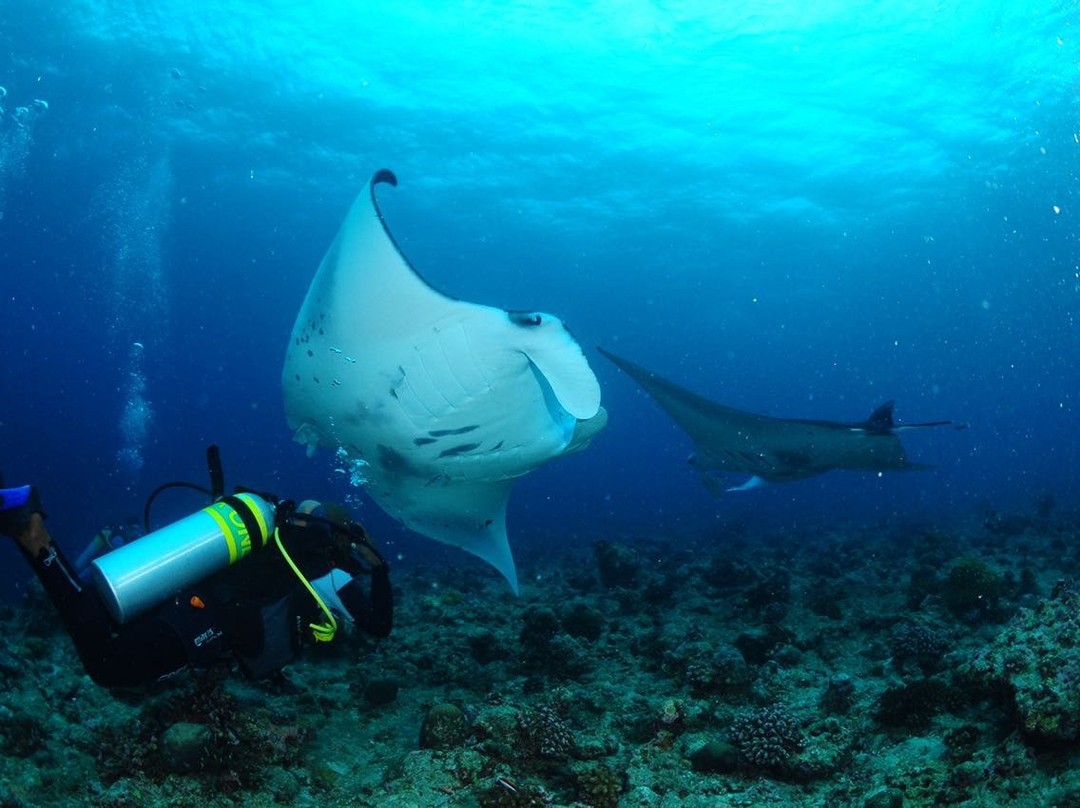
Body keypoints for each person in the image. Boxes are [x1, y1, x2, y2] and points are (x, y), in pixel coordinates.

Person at [0, 471, 393, 688]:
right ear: (343, 542)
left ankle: (22, 527)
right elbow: (378, 625)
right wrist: (379, 569)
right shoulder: (330, 573)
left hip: (190, 593)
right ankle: (34, 536)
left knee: (106, 618)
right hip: (205, 623)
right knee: (110, 667)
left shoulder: (282, 541)